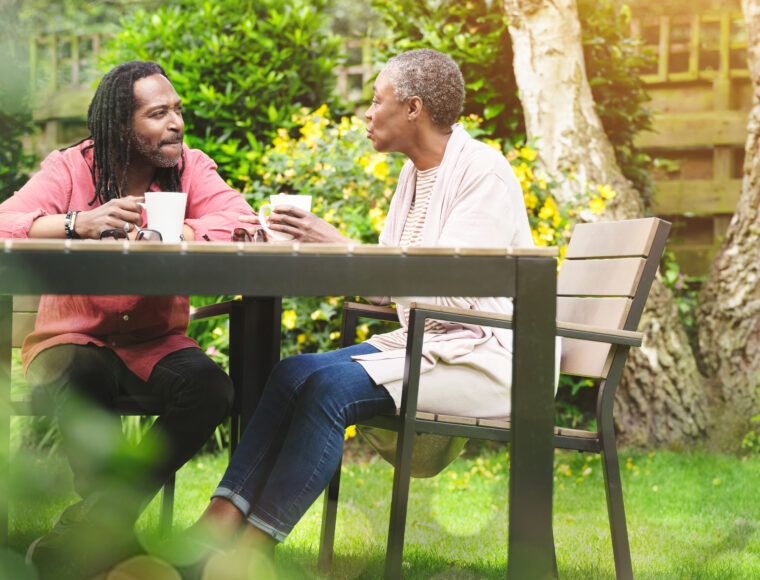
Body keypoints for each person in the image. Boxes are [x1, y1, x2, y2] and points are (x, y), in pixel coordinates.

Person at [178, 48, 538, 575]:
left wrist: (343, 245)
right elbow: (396, 287)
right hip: (433, 342)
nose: (368, 113)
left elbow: (455, 292)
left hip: (488, 353)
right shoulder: (413, 177)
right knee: (291, 372)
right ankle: (220, 518)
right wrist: (317, 246)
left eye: (377, 100)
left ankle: (253, 548)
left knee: (329, 390)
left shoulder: (484, 173)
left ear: (413, 108)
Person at [0, 60, 254, 579]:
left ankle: (89, 530)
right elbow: (6, 220)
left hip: (156, 340)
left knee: (212, 390)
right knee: (81, 375)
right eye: (159, 114)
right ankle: (108, 541)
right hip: (71, 337)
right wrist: (76, 222)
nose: (176, 123)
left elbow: (241, 220)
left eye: (178, 111)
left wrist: (176, 233)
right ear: (121, 125)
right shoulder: (71, 168)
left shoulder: (191, 167)